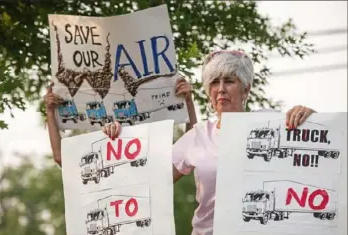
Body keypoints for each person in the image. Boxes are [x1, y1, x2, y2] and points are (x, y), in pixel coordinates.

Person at [102, 50, 316, 235]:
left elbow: (322, 143)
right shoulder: (199, 135)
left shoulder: (269, 122)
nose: (221, 89)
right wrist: (119, 140)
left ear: (246, 90)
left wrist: (309, 116)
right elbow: (148, 179)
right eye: (214, 82)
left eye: (229, 81)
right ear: (209, 93)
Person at [44, 77, 197, 166]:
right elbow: (60, 157)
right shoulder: (101, 164)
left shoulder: (153, 164)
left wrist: (188, 102)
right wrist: (50, 112)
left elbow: (188, 151)